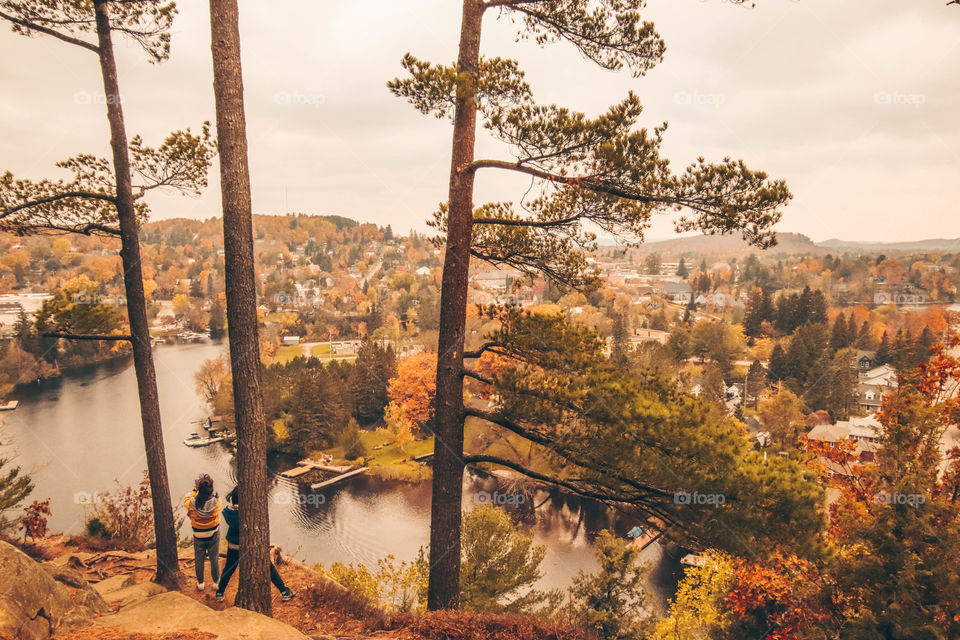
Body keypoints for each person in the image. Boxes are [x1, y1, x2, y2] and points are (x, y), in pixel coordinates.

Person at [216, 486, 295, 603]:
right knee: (268, 566)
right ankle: (284, 591)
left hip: (233, 545)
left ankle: (219, 592)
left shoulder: (228, 512)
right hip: (249, 546)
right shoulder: (247, 514)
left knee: (229, 568)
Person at [184, 473, 222, 591]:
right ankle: (216, 582)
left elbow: (188, 499)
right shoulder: (217, 502)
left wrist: (195, 490)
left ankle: (200, 583)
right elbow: (216, 498)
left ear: (199, 489)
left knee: (199, 558)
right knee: (214, 558)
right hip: (213, 534)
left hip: (198, 534)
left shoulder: (191, 503)